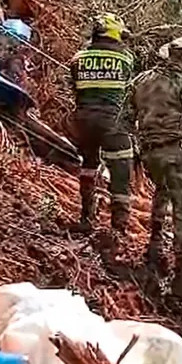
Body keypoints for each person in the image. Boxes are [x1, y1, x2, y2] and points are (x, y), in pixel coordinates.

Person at [120, 37, 182, 308]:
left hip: (150, 152)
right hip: (176, 152)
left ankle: (154, 245)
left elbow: (125, 120)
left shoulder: (140, 80)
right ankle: (181, 283)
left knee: (161, 192)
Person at [69, 13, 135, 235]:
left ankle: (86, 216)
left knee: (88, 165)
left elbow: (76, 89)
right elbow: (127, 91)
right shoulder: (126, 58)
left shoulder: (78, 57)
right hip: (113, 122)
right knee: (121, 170)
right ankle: (119, 226)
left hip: (84, 121)